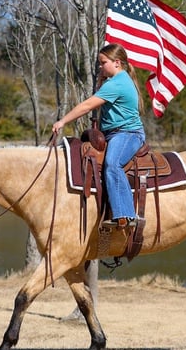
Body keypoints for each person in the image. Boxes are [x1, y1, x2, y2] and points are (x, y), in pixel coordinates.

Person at [52, 43, 145, 229]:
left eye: (103, 63)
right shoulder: (116, 81)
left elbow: (87, 106)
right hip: (113, 134)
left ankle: (126, 214)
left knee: (113, 164)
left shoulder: (118, 83)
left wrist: (62, 121)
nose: (100, 67)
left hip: (127, 134)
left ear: (117, 62)